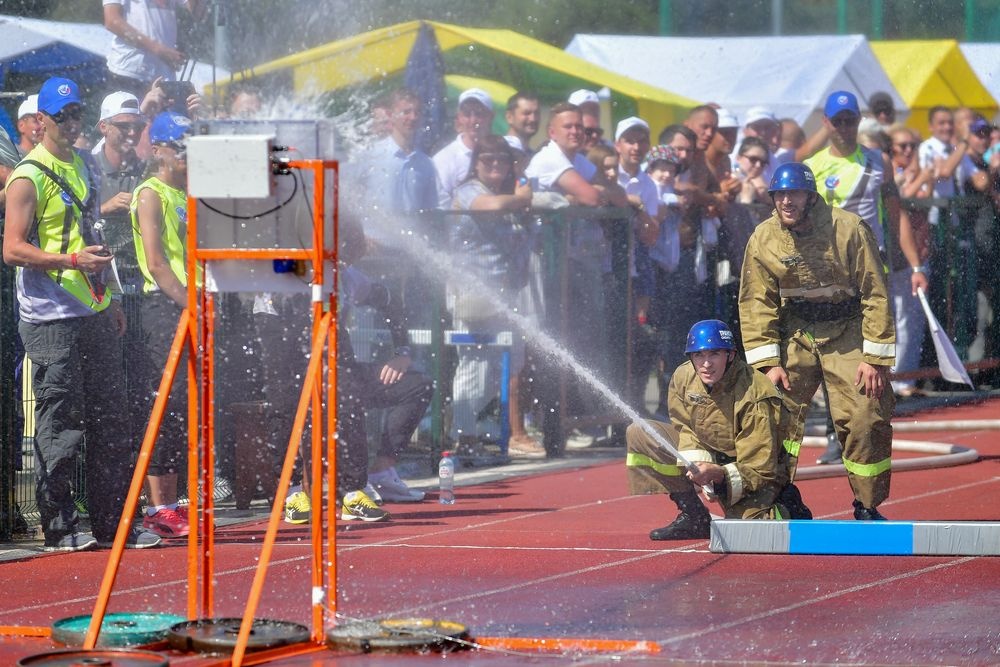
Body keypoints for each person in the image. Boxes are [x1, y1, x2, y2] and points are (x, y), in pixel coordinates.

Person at [3, 76, 159, 550]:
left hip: (93, 308)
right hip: (49, 317)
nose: (70, 124)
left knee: (112, 419)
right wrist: (70, 262)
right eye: (62, 116)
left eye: (76, 115)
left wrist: (109, 299)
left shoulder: (84, 167)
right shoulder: (28, 175)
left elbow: (93, 235)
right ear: (40, 121)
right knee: (61, 423)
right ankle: (60, 526)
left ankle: (114, 523)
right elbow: (11, 249)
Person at [739, 163, 896, 520]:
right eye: (779, 195)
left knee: (864, 412)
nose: (786, 202)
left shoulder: (849, 229)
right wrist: (768, 363)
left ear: (811, 196)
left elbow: (875, 292)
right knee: (770, 409)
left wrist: (875, 358)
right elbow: (755, 302)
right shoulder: (763, 238)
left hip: (849, 327)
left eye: (794, 194)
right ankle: (781, 494)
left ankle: (866, 504)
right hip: (797, 329)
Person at [805, 91, 926, 463]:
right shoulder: (813, 166)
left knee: (871, 356)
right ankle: (833, 432)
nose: (844, 126)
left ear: (859, 121)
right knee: (831, 356)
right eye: (837, 120)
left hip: (872, 273)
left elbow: (896, 215)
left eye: (850, 119)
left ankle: (864, 430)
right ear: (825, 124)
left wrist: (916, 267)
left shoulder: (879, 162)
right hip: (828, 277)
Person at [626, 319, 811, 541]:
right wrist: (700, 469)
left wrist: (719, 474)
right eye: (699, 355)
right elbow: (685, 428)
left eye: (714, 354)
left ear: (730, 355)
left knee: (751, 535)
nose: (706, 364)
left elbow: (760, 468)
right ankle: (695, 517)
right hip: (710, 457)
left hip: (751, 469)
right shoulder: (683, 377)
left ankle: (786, 503)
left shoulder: (755, 393)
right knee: (640, 432)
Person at [448, 135, 536, 454]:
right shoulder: (470, 190)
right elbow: (492, 207)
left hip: (506, 293)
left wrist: (522, 196)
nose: (496, 165)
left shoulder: (509, 193)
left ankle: (487, 435)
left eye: (502, 159)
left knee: (508, 365)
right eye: (488, 159)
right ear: (476, 163)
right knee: (474, 365)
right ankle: (464, 436)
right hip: (472, 292)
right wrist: (523, 196)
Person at [130, 111, 194, 538]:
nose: (187, 158)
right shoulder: (150, 194)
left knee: (186, 406)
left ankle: (175, 501)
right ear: (159, 151)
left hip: (190, 304)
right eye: (180, 149)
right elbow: (156, 262)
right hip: (163, 307)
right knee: (166, 404)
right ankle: (158, 506)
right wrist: (192, 304)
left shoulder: (190, 194)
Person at [103, 0, 205, 97]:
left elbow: (197, 13)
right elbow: (112, 21)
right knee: (130, 115)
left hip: (164, 75)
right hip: (129, 70)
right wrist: (159, 50)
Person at [434, 88, 494, 209]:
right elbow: (442, 206)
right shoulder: (444, 159)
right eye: (467, 114)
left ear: (491, 117)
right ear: (459, 118)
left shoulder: (500, 153)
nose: (473, 121)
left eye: (479, 114)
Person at [734, 136, 770, 206]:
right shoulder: (728, 183)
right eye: (753, 159)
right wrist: (746, 200)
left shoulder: (764, 190)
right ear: (738, 158)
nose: (758, 165)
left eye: (763, 162)